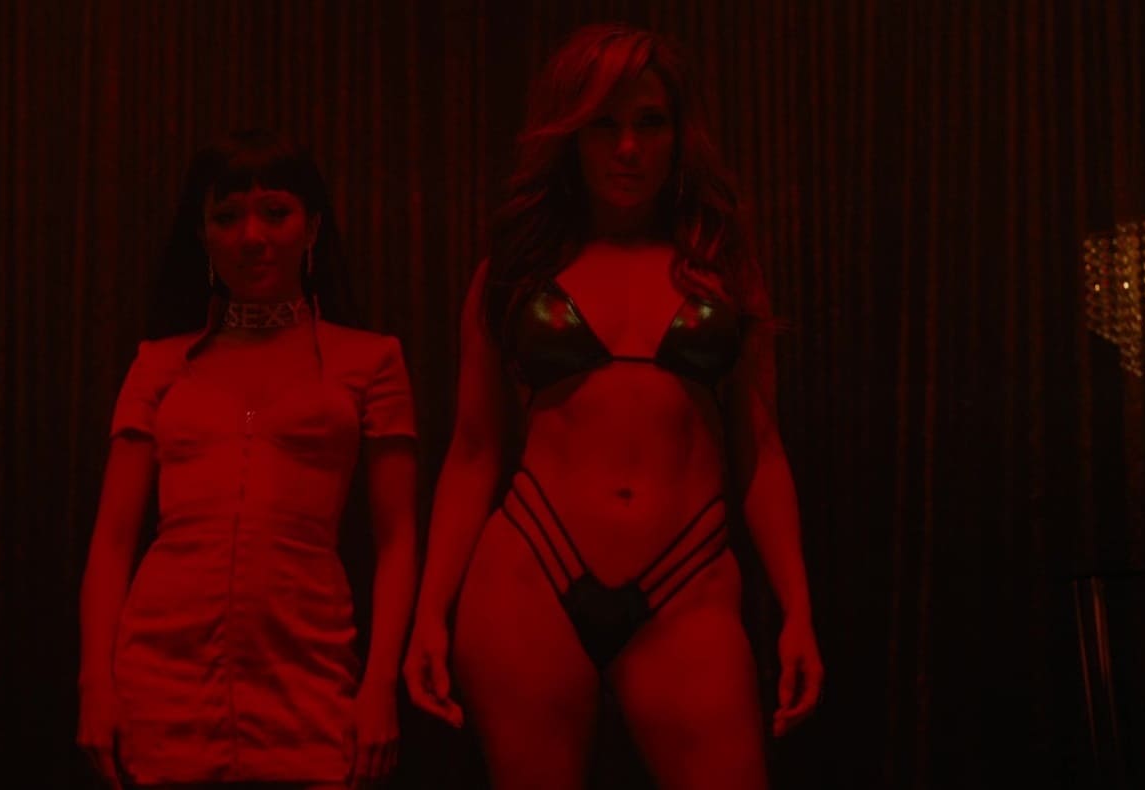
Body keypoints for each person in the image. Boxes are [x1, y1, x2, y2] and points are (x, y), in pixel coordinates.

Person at [402, 24, 822, 789]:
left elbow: (761, 449)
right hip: (529, 569)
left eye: (649, 122)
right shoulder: (516, 271)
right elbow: (473, 452)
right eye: (603, 124)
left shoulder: (724, 270)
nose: (628, 148)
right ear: (569, 134)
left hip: (686, 579)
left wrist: (798, 610)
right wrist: (429, 612)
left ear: (679, 133)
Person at [77, 130, 419, 790]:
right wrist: (95, 684)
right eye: (227, 216)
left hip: (310, 668)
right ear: (202, 235)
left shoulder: (371, 361)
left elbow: (398, 541)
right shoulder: (159, 364)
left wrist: (381, 685)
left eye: (275, 212)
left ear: (312, 227)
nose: (251, 236)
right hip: (158, 676)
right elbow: (112, 541)